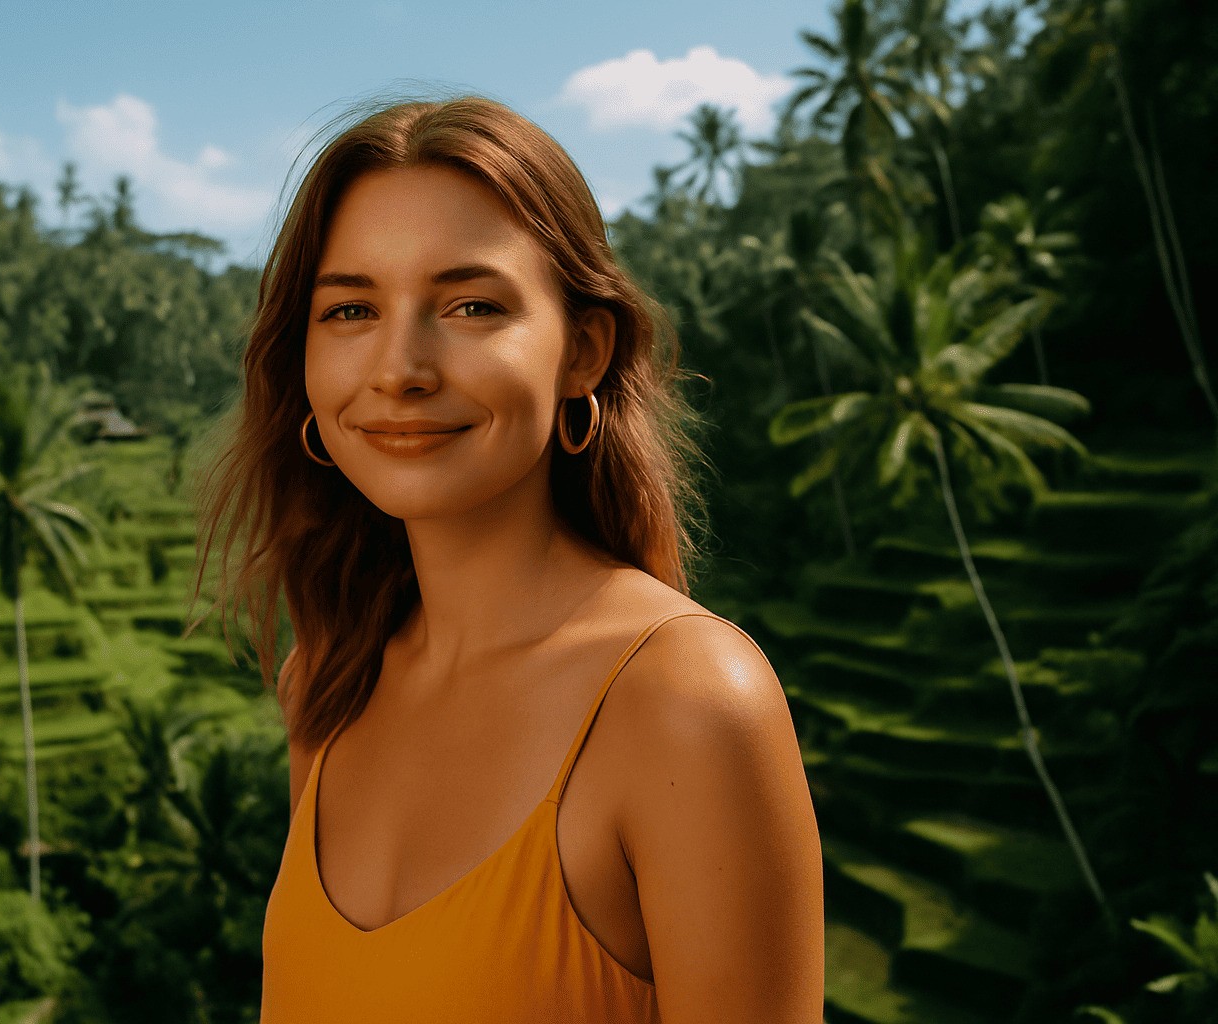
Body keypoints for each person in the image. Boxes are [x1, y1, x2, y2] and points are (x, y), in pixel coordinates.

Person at [188, 91, 824, 1022]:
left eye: (473, 305)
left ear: (584, 351)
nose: (399, 367)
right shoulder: (328, 678)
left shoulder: (686, 703)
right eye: (351, 309)